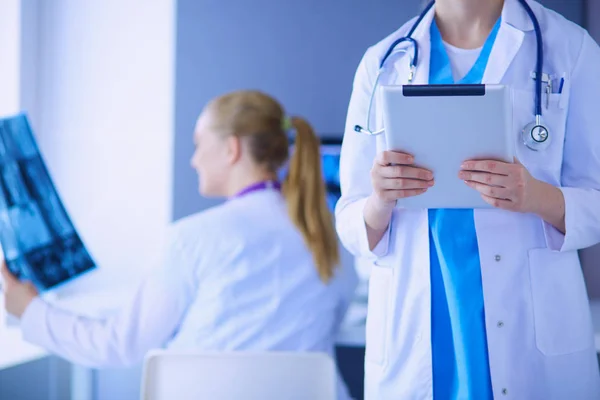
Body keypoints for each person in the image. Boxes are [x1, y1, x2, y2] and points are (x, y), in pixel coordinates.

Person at [2, 90, 356, 399]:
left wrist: (30, 309)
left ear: (231, 149)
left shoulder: (193, 239)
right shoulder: (331, 238)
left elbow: (120, 345)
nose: (194, 159)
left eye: (199, 144)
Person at [335, 0, 600, 398]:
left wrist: (538, 197)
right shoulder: (384, 60)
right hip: (421, 318)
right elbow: (351, 220)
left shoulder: (570, 48)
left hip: (528, 324)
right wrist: (380, 199)